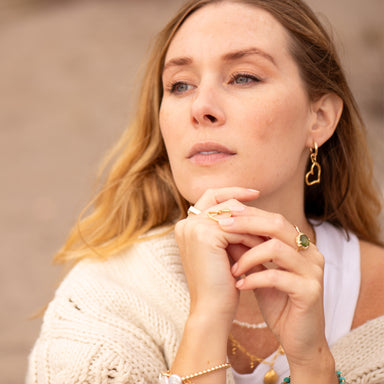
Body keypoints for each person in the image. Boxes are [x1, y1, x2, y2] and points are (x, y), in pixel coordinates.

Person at [26, 0, 384, 383]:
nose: (201, 107)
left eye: (243, 77)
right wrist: (207, 320)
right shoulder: (103, 299)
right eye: (180, 85)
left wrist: (313, 365)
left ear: (320, 118)